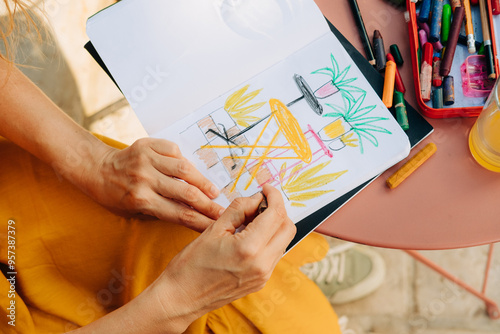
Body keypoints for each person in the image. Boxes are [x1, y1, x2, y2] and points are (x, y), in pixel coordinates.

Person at [0, 1, 385, 333]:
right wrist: (178, 303)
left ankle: (281, 263)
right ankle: (271, 275)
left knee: (192, 213)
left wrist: (91, 161)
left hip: (15, 212)